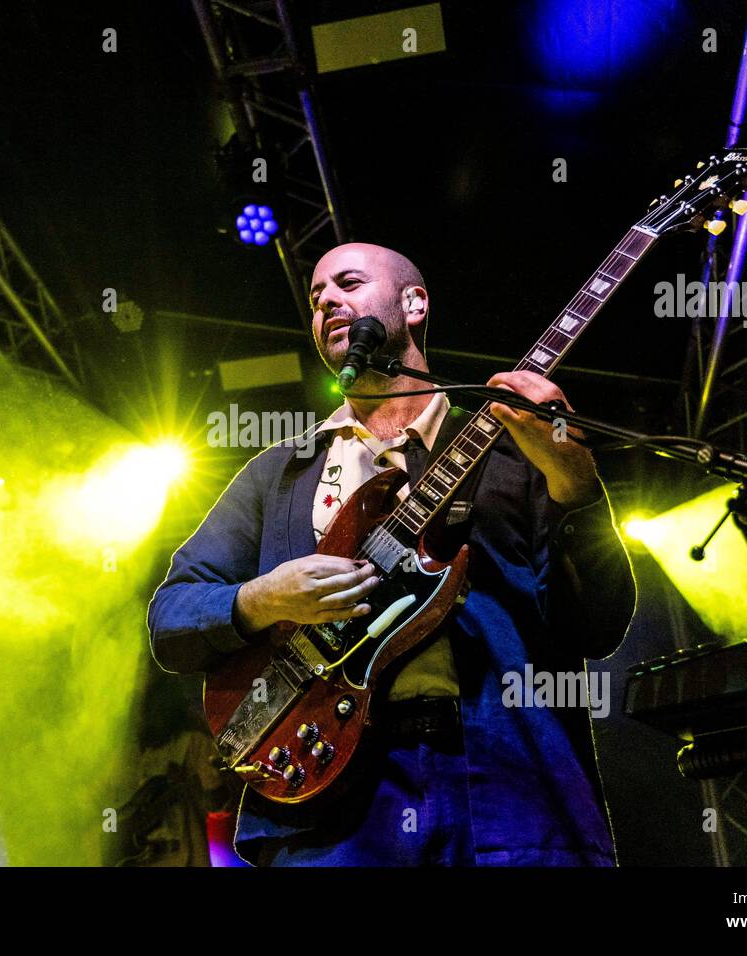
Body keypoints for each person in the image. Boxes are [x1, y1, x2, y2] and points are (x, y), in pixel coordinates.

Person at [147, 242, 637, 865]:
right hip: (327, 810)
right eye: (317, 297)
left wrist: (575, 486)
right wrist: (263, 597)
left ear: (414, 302)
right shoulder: (280, 474)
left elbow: (598, 624)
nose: (327, 302)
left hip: (507, 784)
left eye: (348, 283)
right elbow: (172, 619)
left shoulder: (519, 451)